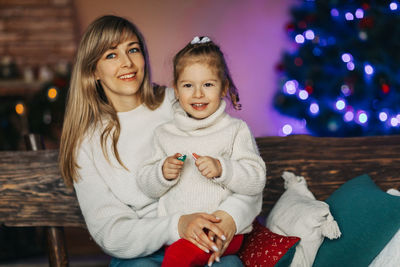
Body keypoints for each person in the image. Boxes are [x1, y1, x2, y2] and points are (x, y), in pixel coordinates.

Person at [58, 15, 263, 267]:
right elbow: (110, 231)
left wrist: (228, 219)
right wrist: (177, 225)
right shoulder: (87, 142)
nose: (127, 63)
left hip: (207, 237)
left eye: (133, 49)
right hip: (141, 252)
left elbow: (246, 176)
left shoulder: (183, 100)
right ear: (93, 71)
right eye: (111, 55)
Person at [137, 36, 266, 267]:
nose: (198, 94)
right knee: (174, 253)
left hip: (223, 231)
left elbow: (256, 179)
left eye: (208, 84)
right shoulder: (164, 134)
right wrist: (162, 173)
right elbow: (146, 184)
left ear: (223, 87)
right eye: (188, 85)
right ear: (176, 90)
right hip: (179, 235)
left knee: (177, 259)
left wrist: (223, 169)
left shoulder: (235, 130)